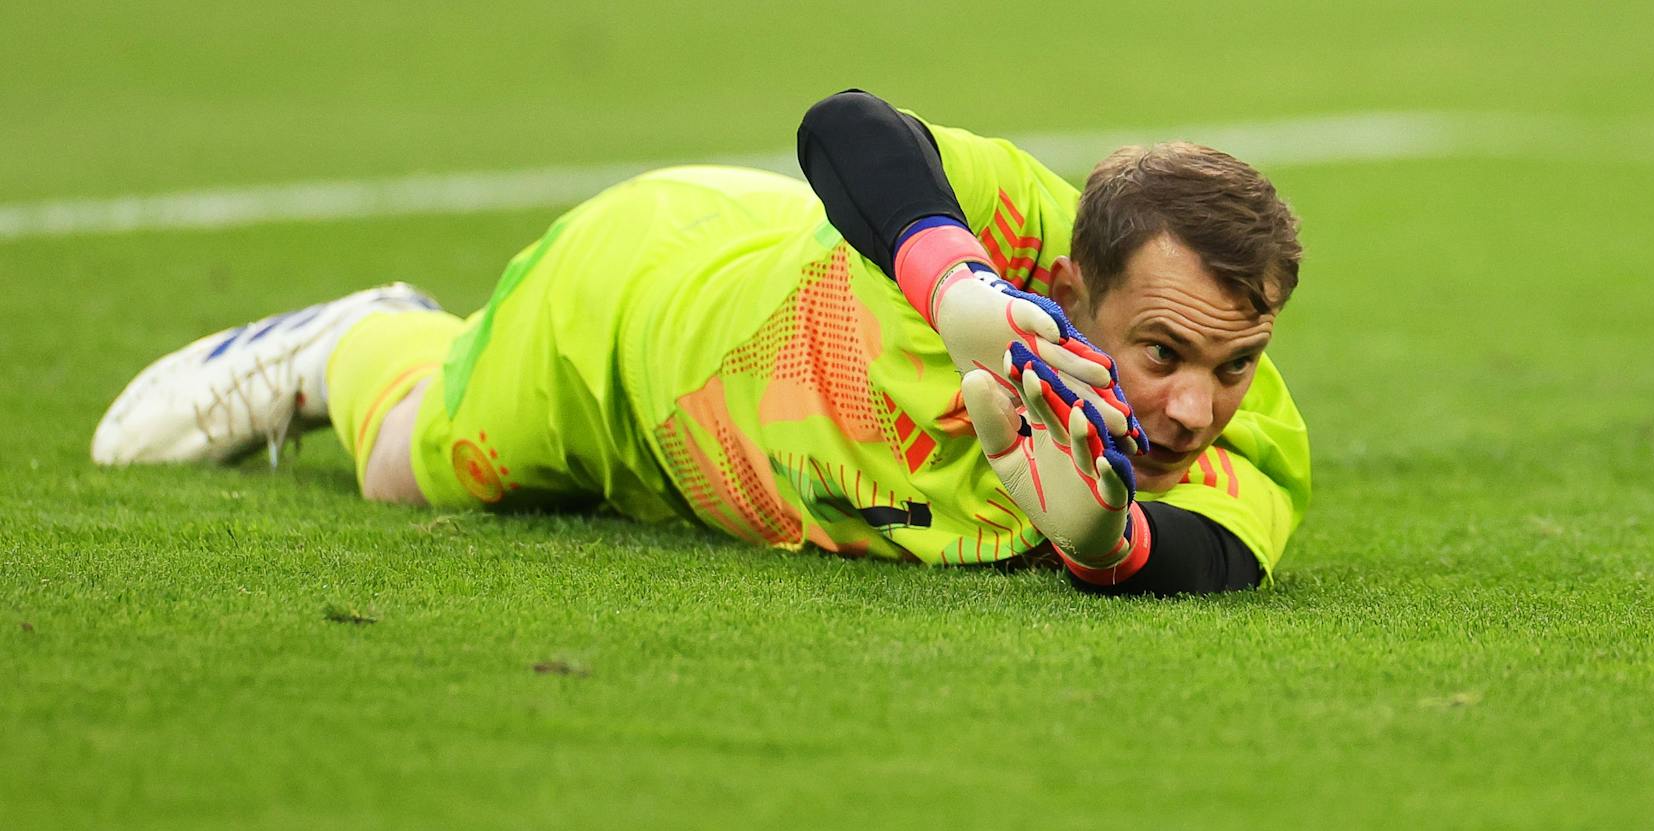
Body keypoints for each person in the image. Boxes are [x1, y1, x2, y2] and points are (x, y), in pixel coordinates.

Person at [93, 90, 1310, 596]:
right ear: (1073, 285)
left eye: (1233, 361)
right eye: (1161, 353)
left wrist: (1107, 544)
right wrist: (952, 287)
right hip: (631, 318)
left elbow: (1222, 555)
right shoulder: (1022, 231)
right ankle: (356, 341)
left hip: (717, 471)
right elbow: (847, 126)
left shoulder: (1236, 441)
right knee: (403, 466)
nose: (1193, 408)